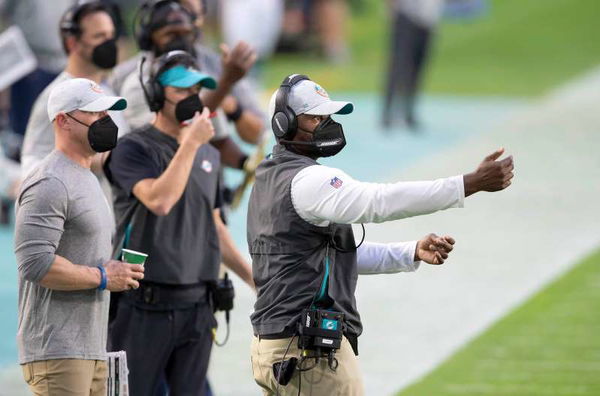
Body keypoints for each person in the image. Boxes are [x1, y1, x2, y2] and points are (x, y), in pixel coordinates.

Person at [247, 74, 515, 395]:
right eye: (316, 118)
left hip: (273, 348)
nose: (326, 125)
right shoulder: (309, 181)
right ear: (285, 123)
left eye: (327, 117)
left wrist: (410, 251)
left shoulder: (269, 175)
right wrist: (468, 184)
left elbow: (331, 257)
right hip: (305, 352)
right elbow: (379, 202)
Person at [105, 50, 254, 396]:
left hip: (198, 304)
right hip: (144, 304)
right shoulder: (132, 149)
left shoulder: (208, 154)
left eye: (196, 91)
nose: (192, 98)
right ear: (157, 95)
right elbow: (160, 200)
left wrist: (253, 279)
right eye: (182, 91)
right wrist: (190, 144)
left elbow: (214, 225)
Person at [13, 77, 144, 396]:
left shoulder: (87, 178)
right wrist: (101, 276)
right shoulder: (49, 181)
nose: (106, 122)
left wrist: (115, 272)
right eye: (96, 115)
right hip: (58, 351)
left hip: (92, 348)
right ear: (63, 121)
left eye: (108, 114)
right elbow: (35, 264)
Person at [110, 0, 264, 168]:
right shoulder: (137, 83)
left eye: (186, 33)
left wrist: (248, 166)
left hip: (200, 184)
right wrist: (226, 82)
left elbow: (219, 141)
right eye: (171, 34)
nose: (181, 41)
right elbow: (178, 129)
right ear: (149, 38)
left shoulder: (202, 78)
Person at [20, 0, 129, 178]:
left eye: (111, 36)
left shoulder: (107, 94)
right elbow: (31, 163)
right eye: (99, 36)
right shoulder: (57, 97)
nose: (109, 43)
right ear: (72, 43)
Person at [382, 0, 445, 129]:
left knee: (418, 67)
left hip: (428, 20)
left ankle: (409, 111)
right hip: (407, 16)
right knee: (398, 66)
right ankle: (388, 112)